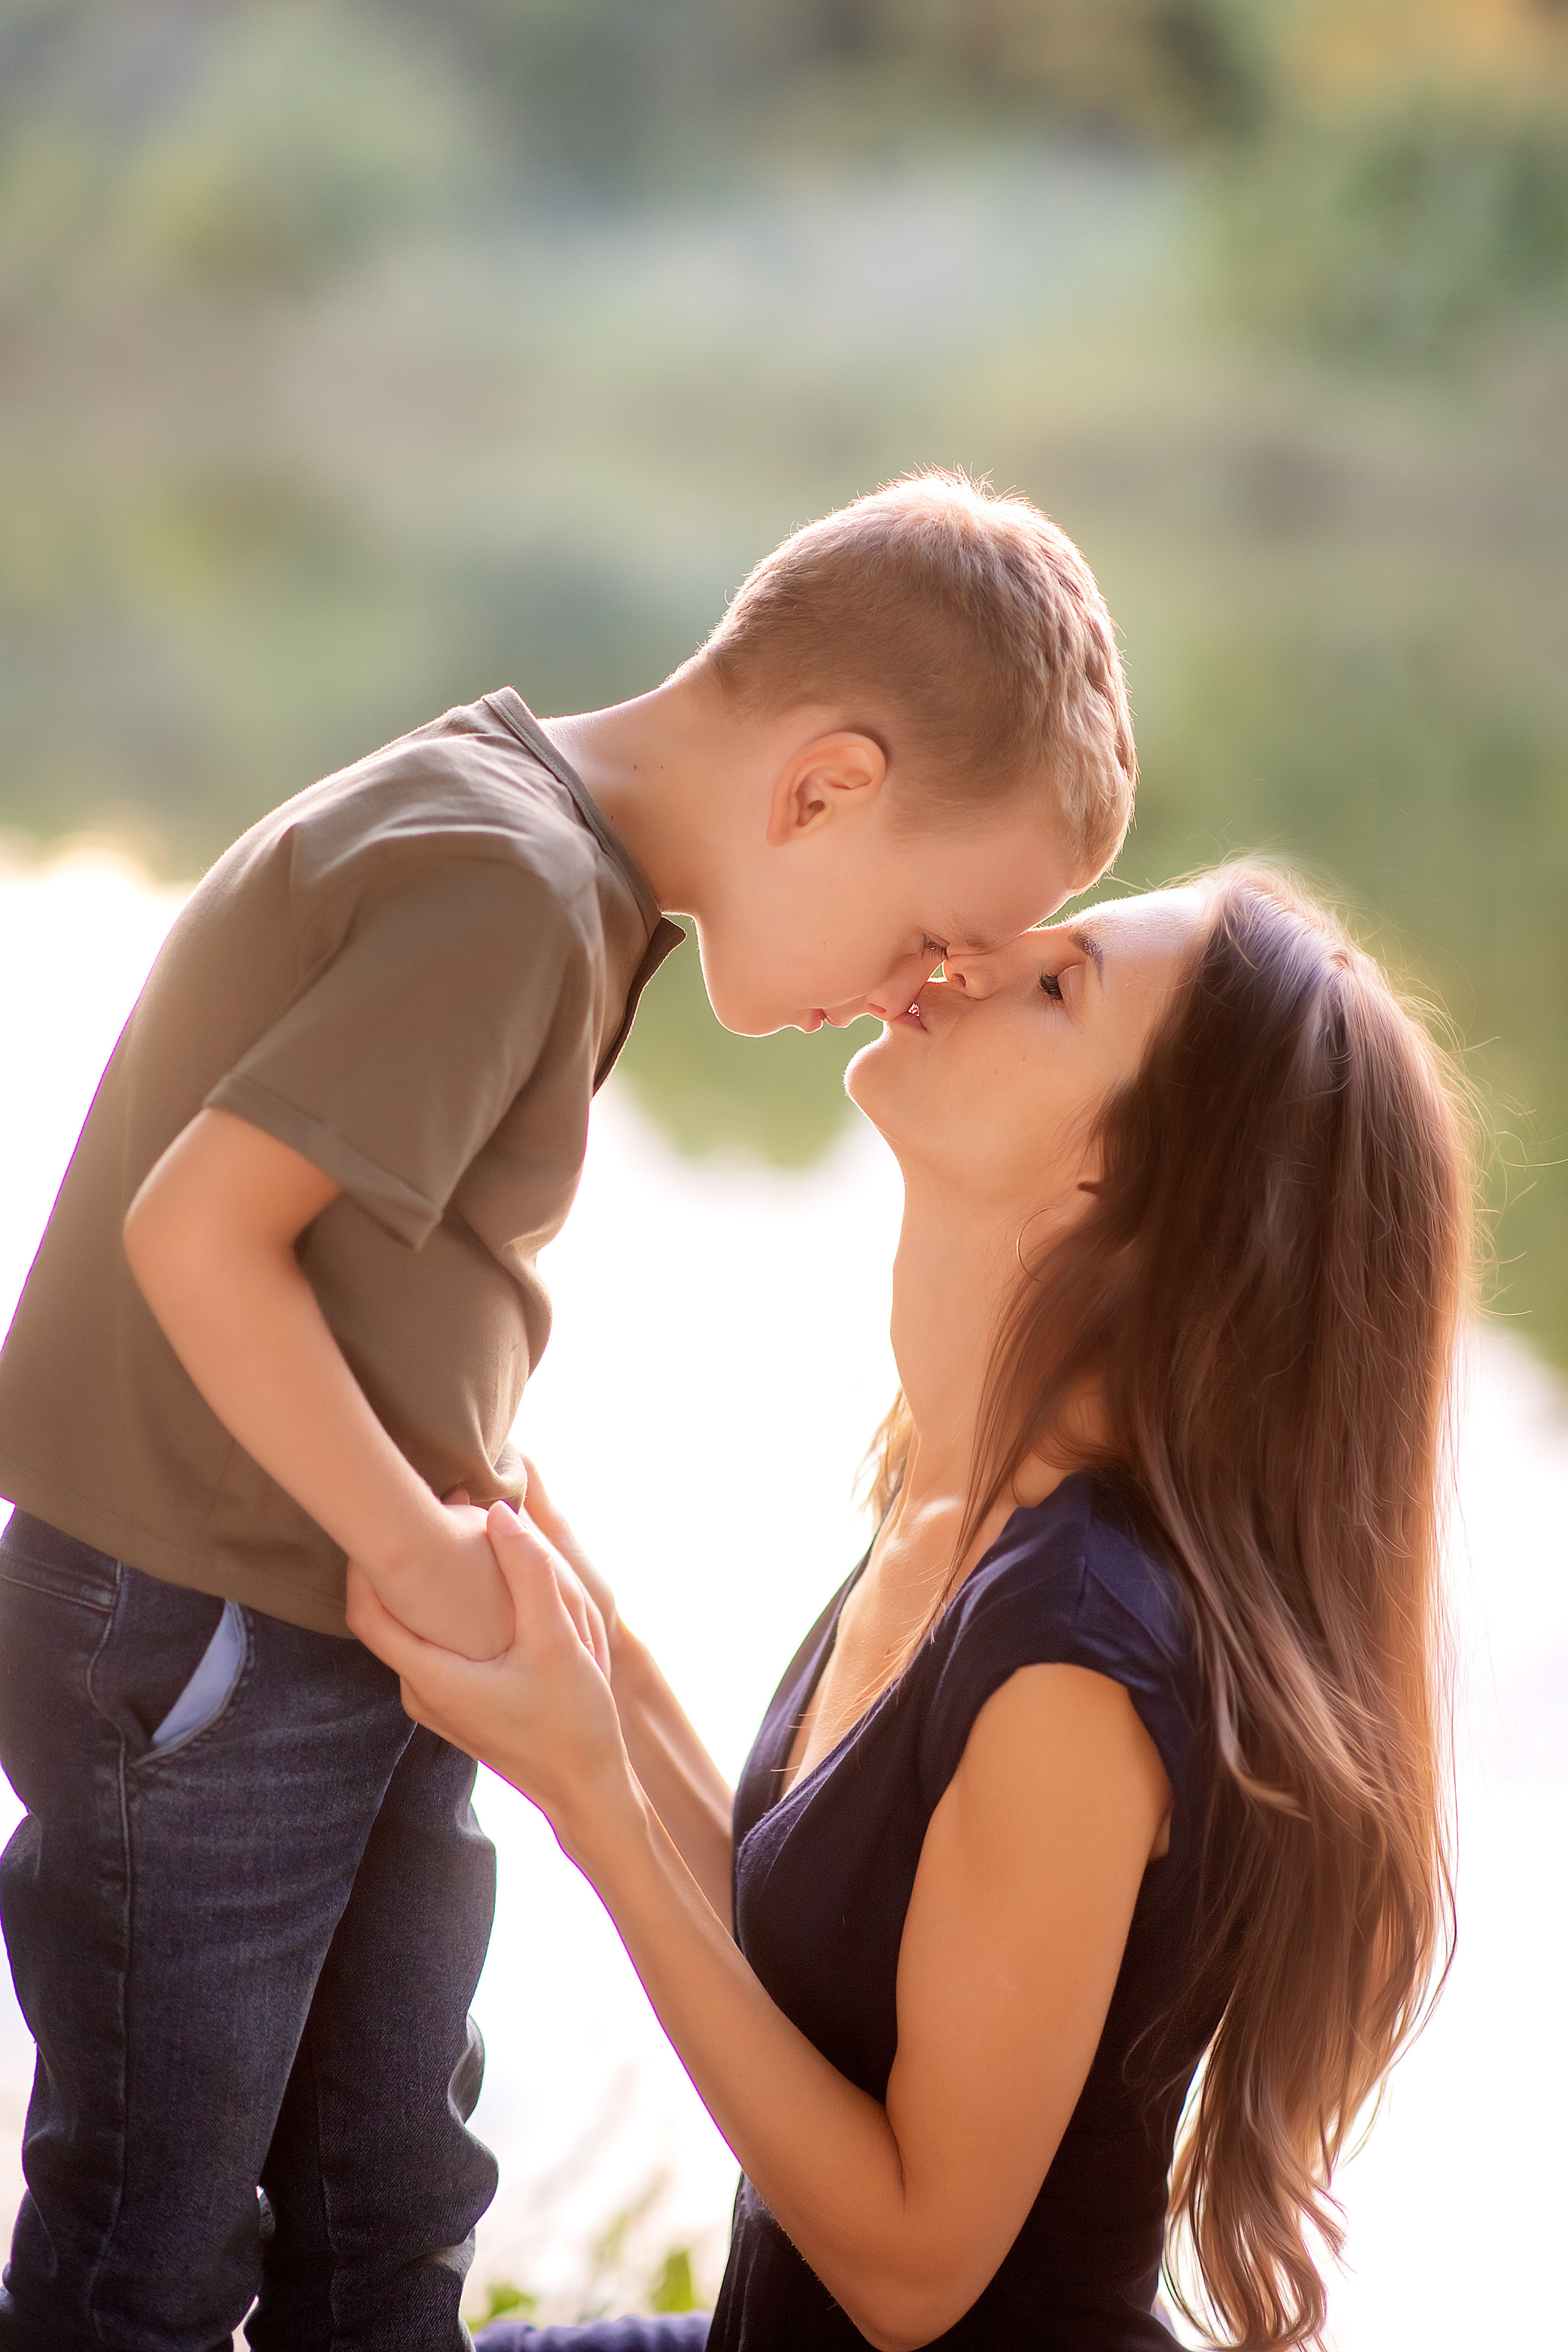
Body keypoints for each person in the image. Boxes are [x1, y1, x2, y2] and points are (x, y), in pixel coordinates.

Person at [0, 471, 1136, 2350]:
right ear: (826, 787)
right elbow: (198, 1234)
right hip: (204, 1624)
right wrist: (415, 1538)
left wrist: (452, 1521)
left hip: (354, 1604)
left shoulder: (559, 875)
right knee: (158, 2225)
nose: (917, 993)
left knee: (395, 2187)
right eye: (933, 932)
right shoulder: (503, 883)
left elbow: (386, 1275)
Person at [350, 865, 1471, 2351]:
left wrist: (583, 1790)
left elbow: (910, 2270)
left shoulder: (1074, 1654)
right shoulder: (961, 1497)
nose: (974, 958)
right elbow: (795, 1926)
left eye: (1060, 983)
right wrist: (586, 1641)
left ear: (1118, 1177)